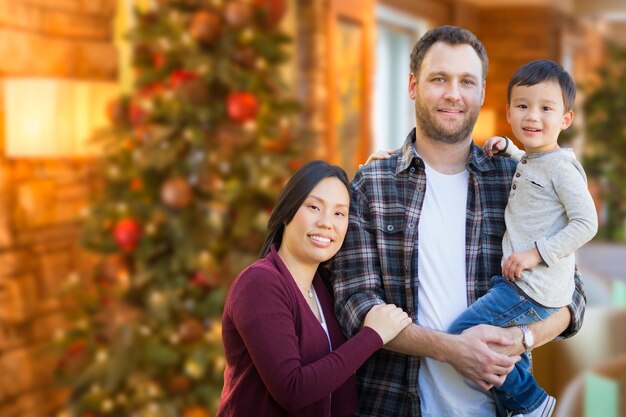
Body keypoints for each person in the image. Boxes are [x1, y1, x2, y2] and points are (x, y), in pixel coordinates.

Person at [330, 26, 587, 417]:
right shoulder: (372, 184)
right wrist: (454, 349)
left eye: (466, 81)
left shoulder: (513, 177)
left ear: (482, 92)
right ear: (414, 85)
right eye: (439, 79)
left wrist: (523, 337)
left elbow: (572, 292)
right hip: (393, 404)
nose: (453, 93)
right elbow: (355, 304)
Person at [446, 59, 598, 417]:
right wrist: (509, 149)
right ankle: (519, 410)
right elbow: (533, 173)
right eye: (523, 106)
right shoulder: (533, 159)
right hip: (521, 283)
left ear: (565, 119)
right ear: (509, 113)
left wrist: (535, 254)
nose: (533, 116)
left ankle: (531, 402)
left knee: (463, 334)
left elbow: (586, 222)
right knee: (507, 349)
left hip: (531, 286)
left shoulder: (562, 168)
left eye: (546, 108)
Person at [217, 160, 412, 417]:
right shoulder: (259, 284)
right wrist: (371, 336)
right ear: (288, 211)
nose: (326, 223)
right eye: (314, 207)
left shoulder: (325, 286)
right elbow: (293, 390)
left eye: (339, 213)